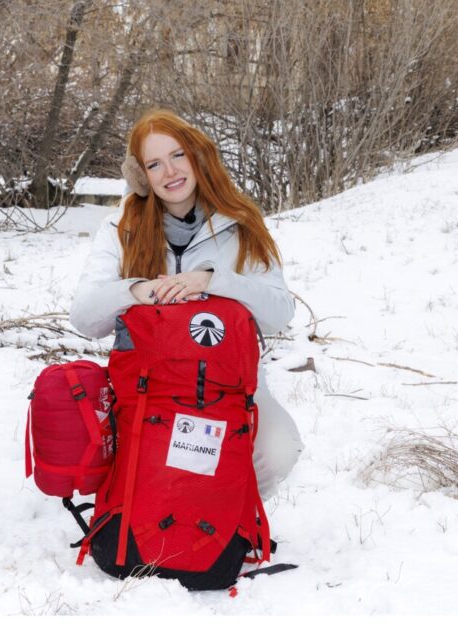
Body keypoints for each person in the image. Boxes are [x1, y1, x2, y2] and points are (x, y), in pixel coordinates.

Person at [69, 108, 302, 499]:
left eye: (177, 155)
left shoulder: (240, 222)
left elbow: (280, 313)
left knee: (278, 451)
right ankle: (148, 511)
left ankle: (230, 518)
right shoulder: (119, 228)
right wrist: (135, 290)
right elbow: (84, 317)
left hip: (229, 384)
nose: (170, 172)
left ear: (196, 156)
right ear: (141, 176)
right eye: (154, 164)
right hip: (148, 387)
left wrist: (214, 281)